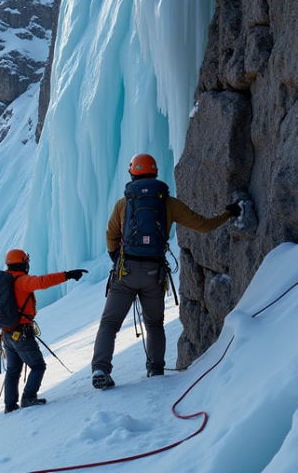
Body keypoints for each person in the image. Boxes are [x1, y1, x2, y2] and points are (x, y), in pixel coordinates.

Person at [91, 154, 241, 390]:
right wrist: (229, 213)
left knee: (109, 324)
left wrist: (117, 259)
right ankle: (155, 369)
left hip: (125, 272)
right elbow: (204, 225)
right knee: (154, 324)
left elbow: (111, 236)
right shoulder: (168, 203)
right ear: (155, 173)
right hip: (154, 273)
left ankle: (100, 369)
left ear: (132, 174)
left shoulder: (123, 204)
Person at [2, 249, 88, 413]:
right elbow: (42, 282)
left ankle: (10, 405)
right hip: (22, 333)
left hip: (7, 334)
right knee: (38, 365)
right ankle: (28, 398)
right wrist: (67, 274)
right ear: (22, 263)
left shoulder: (4, 282)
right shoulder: (21, 281)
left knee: (13, 370)